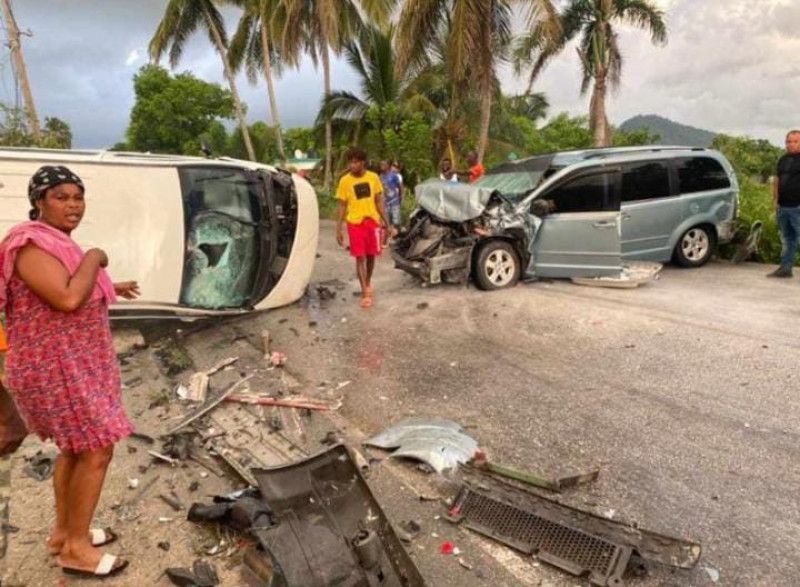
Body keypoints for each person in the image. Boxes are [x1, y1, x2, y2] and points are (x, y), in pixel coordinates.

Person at [0, 165, 140, 578]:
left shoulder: (55, 243)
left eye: (78, 197)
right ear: (38, 201)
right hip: (57, 369)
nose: (73, 205)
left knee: (76, 449)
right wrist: (96, 256)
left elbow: (69, 285)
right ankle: (77, 549)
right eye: (60, 197)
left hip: (73, 365)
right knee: (97, 448)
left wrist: (113, 284)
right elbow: (65, 298)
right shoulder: (29, 244)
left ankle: (65, 533)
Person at [335, 149, 392, 308]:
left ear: (362, 162)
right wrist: (338, 228)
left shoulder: (373, 178)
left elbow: (379, 201)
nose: (352, 165)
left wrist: (387, 223)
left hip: (372, 222)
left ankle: (367, 282)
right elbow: (342, 205)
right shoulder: (345, 181)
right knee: (360, 257)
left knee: (371, 256)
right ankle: (365, 292)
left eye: (355, 162)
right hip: (355, 223)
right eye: (350, 162)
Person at [768, 130, 800, 278]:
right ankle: (785, 269)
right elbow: (777, 180)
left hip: (798, 207)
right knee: (787, 239)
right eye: (789, 141)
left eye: (795, 141)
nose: (791, 144)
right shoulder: (783, 159)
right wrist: (775, 201)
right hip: (784, 207)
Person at [380, 160, 403, 231]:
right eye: (381, 164)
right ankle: (389, 236)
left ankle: (398, 235)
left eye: (383, 164)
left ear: (388, 166)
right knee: (387, 222)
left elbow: (400, 187)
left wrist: (401, 198)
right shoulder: (380, 176)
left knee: (396, 222)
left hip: (394, 201)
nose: (381, 166)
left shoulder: (394, 175)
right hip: (385, 203)